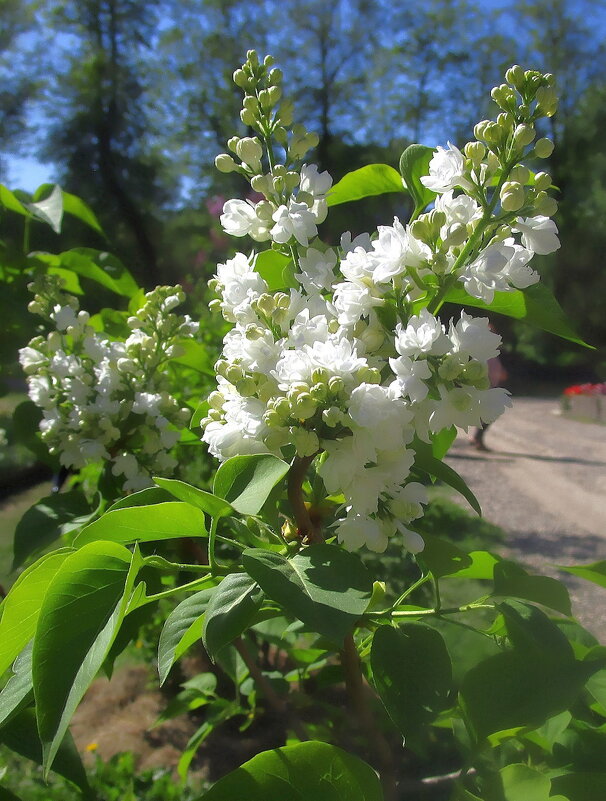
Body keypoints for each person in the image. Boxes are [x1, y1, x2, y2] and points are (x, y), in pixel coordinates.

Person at [470, 331, 508, 451]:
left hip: (489, 389)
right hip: (485, 391)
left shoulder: (491, 355)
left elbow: (500, 373)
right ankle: (477, 439)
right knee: (488, 416)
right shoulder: (485, 356)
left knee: (486, 417)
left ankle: (476, 438)